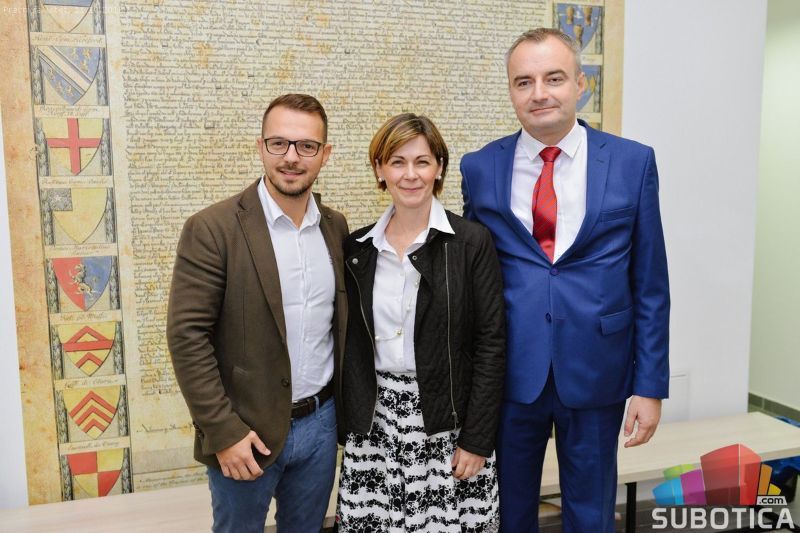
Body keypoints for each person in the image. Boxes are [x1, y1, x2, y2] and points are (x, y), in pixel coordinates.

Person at [460, 28, 670, 532]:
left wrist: (650, 386)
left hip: (598, 370)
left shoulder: (632, 162)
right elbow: (472, 279)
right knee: (508, 515)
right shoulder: (480, 168)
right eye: (524, 82)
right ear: (511, 91)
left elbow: (650, 284)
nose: (539, 93)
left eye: (553, 78)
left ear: (581, 84)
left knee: (592, 515)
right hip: (510, 374)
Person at [166, 93, 348, 533]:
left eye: (306, 146)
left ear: (325, 154)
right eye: (278, 143)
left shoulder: (335, 227)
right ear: (260, 146)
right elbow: (187, 336)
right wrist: (222, 431)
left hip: (321, 427)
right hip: (244, 432)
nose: (291, 157)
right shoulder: (213, 228)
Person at [336, 113, 505, 532]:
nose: (410, 174)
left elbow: (491, 344)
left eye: (422, 161)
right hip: (375, 427)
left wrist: (477, 438)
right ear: (379, 170)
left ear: (439, 168)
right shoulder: (357, 248)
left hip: (447, 426)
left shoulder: (471, 243)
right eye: (397, 162)